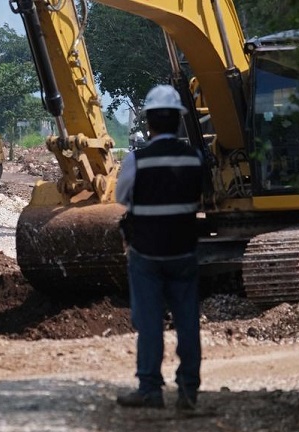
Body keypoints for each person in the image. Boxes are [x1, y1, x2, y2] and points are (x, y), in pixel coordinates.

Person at [114, 84, 204, 410]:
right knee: (188, 321)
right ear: (179, 121)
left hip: (146, 255)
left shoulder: (135, 161)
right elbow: (199, 198)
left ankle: (150, 389)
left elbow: (121, 198)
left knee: (150, 322)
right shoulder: (195, 159)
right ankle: (188, 391)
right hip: (184, 253)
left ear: (148, 121)